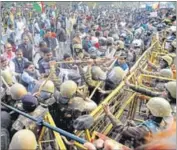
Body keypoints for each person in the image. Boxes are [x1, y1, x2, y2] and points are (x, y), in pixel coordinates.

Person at [103, 97, 173, 148]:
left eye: (148, 109)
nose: (146, 110)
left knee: (108, 143)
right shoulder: (162, 125)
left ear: (153, 112)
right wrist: (135, 125)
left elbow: (122, 129)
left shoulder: (145, 129)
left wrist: (109, 113)